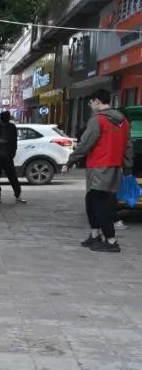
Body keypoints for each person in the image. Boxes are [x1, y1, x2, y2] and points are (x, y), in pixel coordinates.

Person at [67, 89, 133, 253]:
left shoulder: (98, 120)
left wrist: (71, 160)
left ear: (97, 101)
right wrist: (127, 167)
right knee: (92, 200)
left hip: (98, 167)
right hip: (115, 168)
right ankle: (95, 235)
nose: (90, 106)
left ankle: (111, 241)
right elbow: (128, 146)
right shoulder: (123, 121)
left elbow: (86, 143)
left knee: (99, 204)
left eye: (90, 102)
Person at [0, 111, 26, 204]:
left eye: (6, 121)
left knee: (13, 177)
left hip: (8, 156)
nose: (5, 123)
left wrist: (12, 153)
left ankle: (18, 195)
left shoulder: (12, 127)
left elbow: (14, 141)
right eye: (3, 121)